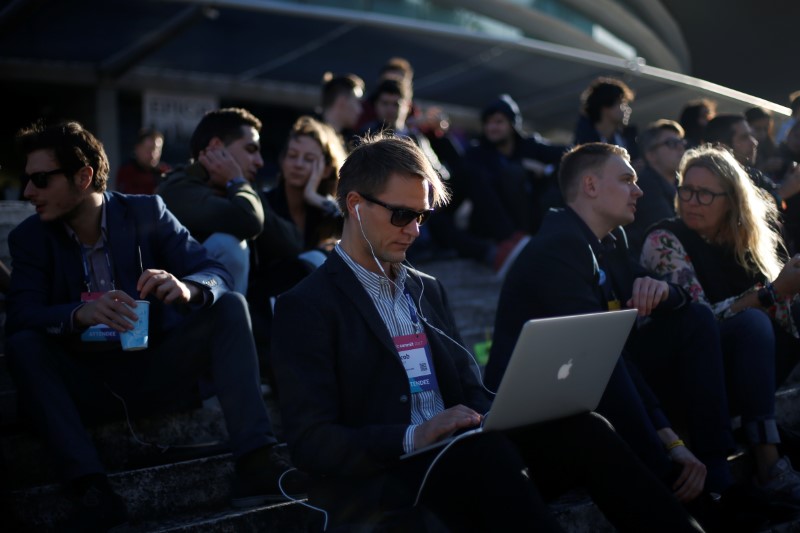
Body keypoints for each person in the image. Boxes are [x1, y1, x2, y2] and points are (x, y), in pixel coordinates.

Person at [269, 133, 704, 532]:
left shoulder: (426, 288)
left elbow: (469, 390)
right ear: (353, 205)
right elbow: (310, 442)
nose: (415, 230)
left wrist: (509, 411)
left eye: (421, 216)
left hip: (467, 456)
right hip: (391, 477)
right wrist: (413, 435)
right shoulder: (306, 306)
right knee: (482, 455)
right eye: (401, 214)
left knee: (582, 426)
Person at [5, 120, 305, 531]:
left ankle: (255, 461)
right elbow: (21, 314)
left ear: (83, 176)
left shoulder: (146, 211)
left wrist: (187, 288)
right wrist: (77, 314)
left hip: (155, 370)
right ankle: (90, 488)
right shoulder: (29, 238)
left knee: (229, 306)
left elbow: (214, 270)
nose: (28, 192)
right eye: (27, 180)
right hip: (86, 386)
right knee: (24, 344)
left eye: (40, 179)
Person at [485, 142, 770, 530]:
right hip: (546, 423)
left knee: (696, 321)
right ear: (590, 185)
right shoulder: (559, 248)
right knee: (620, 359)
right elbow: (601, 361)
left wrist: (665, 291)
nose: (639, 190)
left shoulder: (608, 241)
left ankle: (718, 478)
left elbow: (680, 299)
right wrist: (669, 445)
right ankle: (684, 488)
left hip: (595, 386)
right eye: (627, 180)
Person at [641, 145, 800, 512]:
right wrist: (772, 293)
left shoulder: (747, 244)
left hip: (737, 373)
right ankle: (767, 461)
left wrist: (788, 295)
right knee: (752, 324)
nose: (692, 201)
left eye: (705, 194)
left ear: (731, 200)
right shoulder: (664, 239)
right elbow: (701, 321)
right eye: (686, 190)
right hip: (683, 374)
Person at [247, 116, 346, 381]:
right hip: (269, 314)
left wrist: (314, 197)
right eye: (293, 155)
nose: (298, 164)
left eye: (309, 159)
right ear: (282, 160)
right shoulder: (264, 202)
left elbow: (358, 231)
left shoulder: (326, 211)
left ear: (326, 168)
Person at [450, 94, 568, 275]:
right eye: (488, 123)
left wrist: (545, 171)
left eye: (498, 122)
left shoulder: (530, 146)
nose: (492, 128)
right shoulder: (476, 154)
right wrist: (521, 166)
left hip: (529, 220)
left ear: (512, 124)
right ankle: (510, 241)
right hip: (490, 226)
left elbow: (570, 155)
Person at [157, 108, 265, 294]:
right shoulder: (177, 190)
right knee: (229, 245)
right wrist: (236, 181)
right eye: (250, 149)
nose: (259, 162)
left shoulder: (238, 192)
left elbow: (292, 243)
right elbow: (250, 220)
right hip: (187, 313)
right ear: (216, 146)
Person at [624, 119, 686, 257]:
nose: (681, 148)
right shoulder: (646, 186)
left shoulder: (681, 185)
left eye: (682, 142)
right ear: (651, 155)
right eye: (671, 143)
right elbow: (671, 230)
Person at [574, 76, 640, 161]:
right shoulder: (584, 144)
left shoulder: (629, 137)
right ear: (605, 107)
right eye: (622, 103)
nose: (627, 109)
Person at [114, 128, 170, 194]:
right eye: (149, 150)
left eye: (158, 150)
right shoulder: (126, 172)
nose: (153, 154)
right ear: (137, 149)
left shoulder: (166, 172)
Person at [319, 71, 365, 149]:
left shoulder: (355, 141)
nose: (360, 110)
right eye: (357, 102)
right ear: (342, 101)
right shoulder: (305, 133)